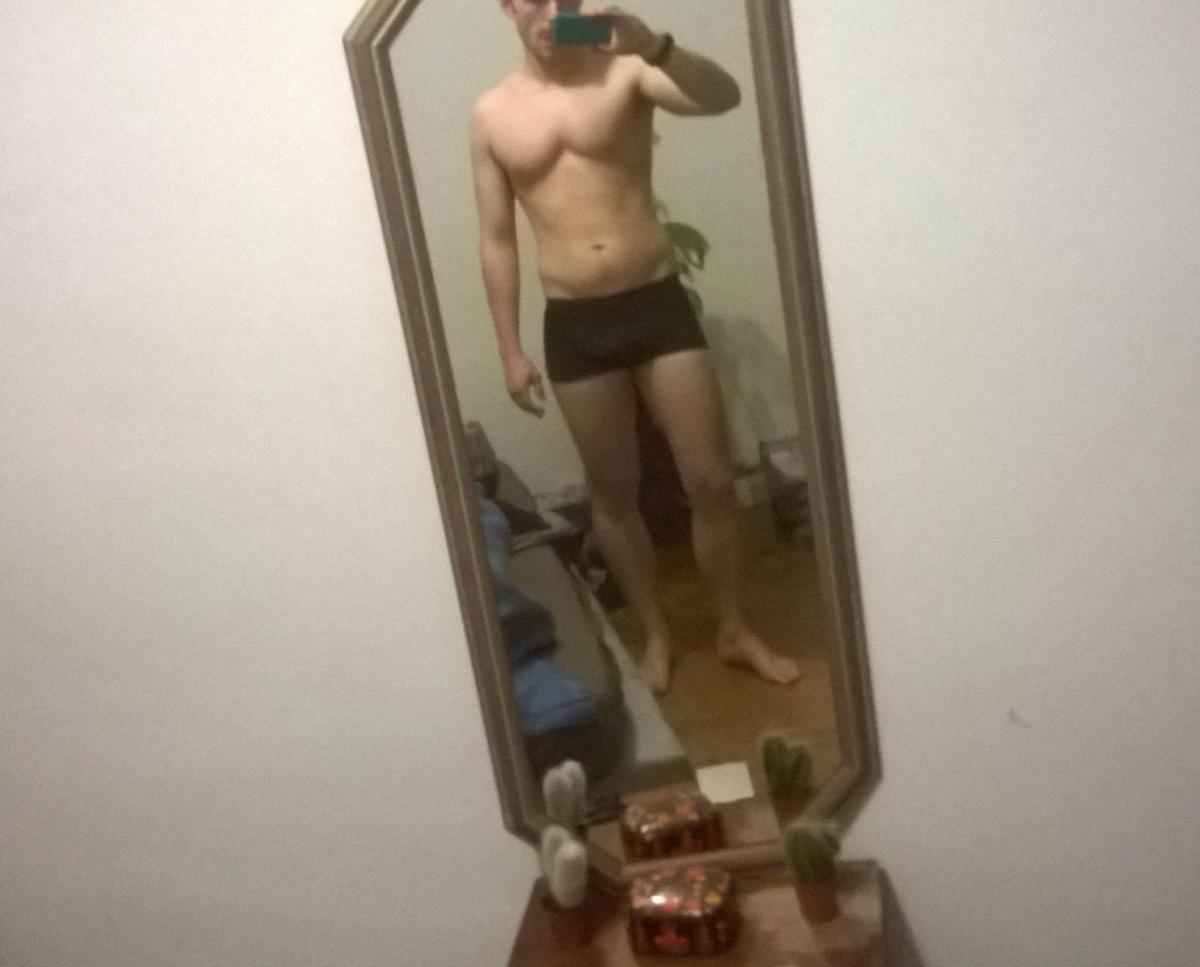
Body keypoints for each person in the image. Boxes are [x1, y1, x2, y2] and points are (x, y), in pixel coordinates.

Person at [470, 0, 799, 693]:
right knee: (613, 496)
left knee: (711, 481)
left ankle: (734, 626)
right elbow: (496, 239)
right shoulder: (492, 114)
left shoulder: (623, 71)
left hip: (655, 303)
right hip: (575, 322)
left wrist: (654, 43)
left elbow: (723, 97)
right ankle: (655, 633)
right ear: (505, 5)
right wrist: (508, 350)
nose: (545, 10)